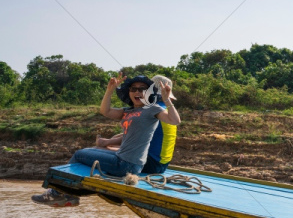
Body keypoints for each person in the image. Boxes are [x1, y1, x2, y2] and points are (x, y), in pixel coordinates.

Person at [32, 74, 181, 207]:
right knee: (94, 150)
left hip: (126, 163)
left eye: (142, 89)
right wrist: (109, 90)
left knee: (79, 154)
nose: (137, 92)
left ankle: (58, 194)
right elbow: (105, 111)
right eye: (133, 89)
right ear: (128, 92)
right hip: (123, 158)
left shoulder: (153, 109)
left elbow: (175, 120)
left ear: (149, 93)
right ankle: (70, 194)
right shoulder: (129, 111)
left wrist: (167, 100)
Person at [96, 75, 178, 174]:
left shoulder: (154, 110)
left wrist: (107, 143)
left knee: (102, 149)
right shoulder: (167, 110)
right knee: (116, 141)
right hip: (162, 163)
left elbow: (135, 137)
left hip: (150, 163)